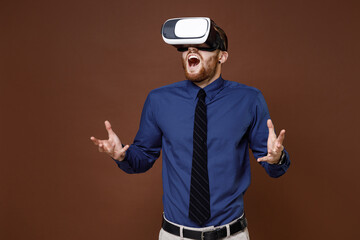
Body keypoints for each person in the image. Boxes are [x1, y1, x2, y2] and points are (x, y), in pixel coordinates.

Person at [90, 18, 290, 240]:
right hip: (175, 236)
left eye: (202, 46)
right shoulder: (159, 100)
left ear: (222, 55)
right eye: (185, 47)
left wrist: (277, 158)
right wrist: (122, 155)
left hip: (231, 235)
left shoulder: (249, 100)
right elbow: (143, 158)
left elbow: (273, 166)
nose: (191, 50)